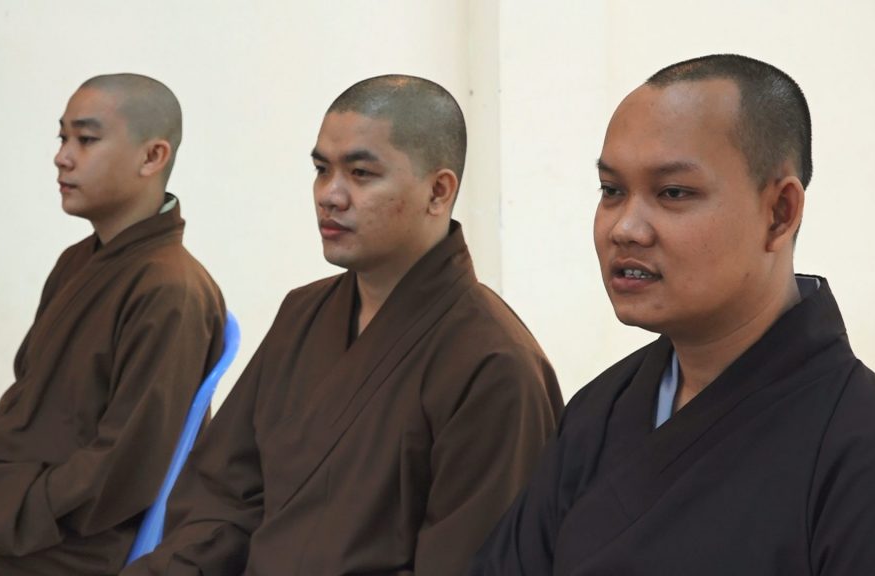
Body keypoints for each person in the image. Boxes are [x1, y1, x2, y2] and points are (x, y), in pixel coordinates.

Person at [468, 53, 875, 575]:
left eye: (673, 192)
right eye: (612, 191)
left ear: (780, 213)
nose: (625, 228)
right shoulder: (600, 411)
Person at [123, 74, 563, 576]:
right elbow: (221, 498)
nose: (329, 195)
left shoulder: (495, 365)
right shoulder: (303, 315)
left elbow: (471, 562)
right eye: (321, 169)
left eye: (360, 174)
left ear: (438, 191)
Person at [0, 73, 226, 575]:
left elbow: (121, 473)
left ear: (152, 157)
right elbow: (26, 415)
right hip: (16, 505)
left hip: (80, 539)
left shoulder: (172, 292)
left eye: (85, 140)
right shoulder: (77, 262)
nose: (62, 157)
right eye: (62, 137)